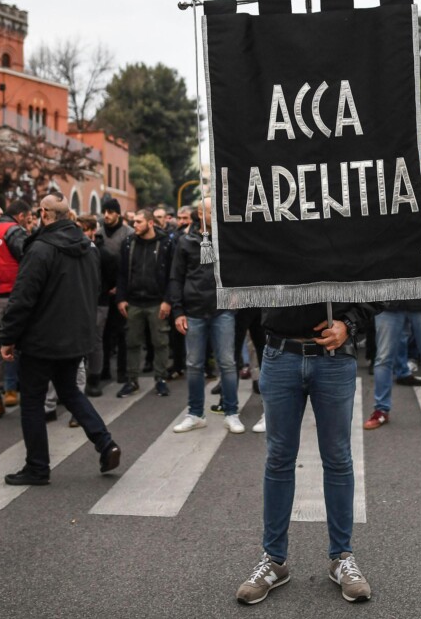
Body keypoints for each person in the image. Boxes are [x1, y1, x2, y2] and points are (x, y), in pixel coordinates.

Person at [236, 301, 378, 605]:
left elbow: (379, 275)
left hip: (334, 357)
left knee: (338, 459)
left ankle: (342, 557)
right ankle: (274, 560)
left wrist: (349, 325)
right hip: (279, 353)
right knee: (278, 460)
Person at [0, 194, 122, 486]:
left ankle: (37, 467)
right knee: (70, 392)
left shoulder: (41, 248)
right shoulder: (88, 246)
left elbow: (22, 297)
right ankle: (106, 444)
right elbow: (95, 289)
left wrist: (8, 336)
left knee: (32, 401)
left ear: (44, 213)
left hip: (41, 338)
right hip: (75, 336)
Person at [366, 214, 421, 431]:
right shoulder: (384, 216)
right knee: (385, 357)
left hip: (419, 300)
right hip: (393, 300)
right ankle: (382, 409)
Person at [169, 198, 245, 435]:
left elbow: (240, 267)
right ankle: (195, 413)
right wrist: (178, 310)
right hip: (193, 311)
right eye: (213, 211)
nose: (218, 214)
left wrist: (237, 293)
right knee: (193, 365)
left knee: (228, 363)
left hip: (222, 310)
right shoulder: (185, 242)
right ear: (201, 214)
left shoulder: (227, 238)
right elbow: (176, 277)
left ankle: (231, 413)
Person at [116, 209, 175, 398]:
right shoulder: (128, 243)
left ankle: (161, 379)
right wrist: (121, 298)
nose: (135, 226)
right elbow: (123, 272)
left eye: (139, 222)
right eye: (134, 222)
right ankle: (132, 380)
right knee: (132, 342)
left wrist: (167, 300)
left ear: (150, 223)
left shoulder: (165, 243)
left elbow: (171, 275)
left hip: (157, 301)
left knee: (160, 342)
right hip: (133, 301)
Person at [0, 201, 31, 416]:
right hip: (13, 297)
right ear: (20, 216)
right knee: (19, 345)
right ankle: (20, 391)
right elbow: (29, 259)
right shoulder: (14, 231)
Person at [77, 215, 118, 397]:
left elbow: (112, 275)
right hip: (79, 302)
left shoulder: (104, 253)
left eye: (84, 229)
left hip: (99, 302)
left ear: (93, 230)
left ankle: (94, 379)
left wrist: (106, 290)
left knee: (95, 341)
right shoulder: (75, 249)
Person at [99, 198, 134, 384]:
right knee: (103, 334)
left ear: (118, 213)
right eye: (105, 211)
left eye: (111, 211)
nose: (107, 215)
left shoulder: (129, 234)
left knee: (122, 333)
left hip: (122, 291)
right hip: (102, 290)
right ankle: (103, 369)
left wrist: (121, 288)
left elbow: (130, 264)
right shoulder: (98, 233)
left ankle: (122, 371)